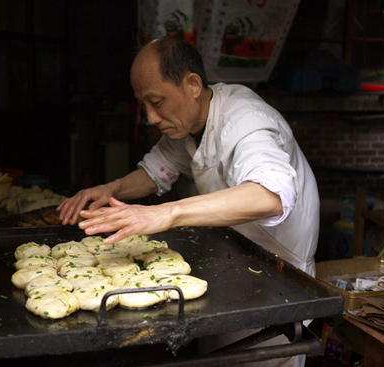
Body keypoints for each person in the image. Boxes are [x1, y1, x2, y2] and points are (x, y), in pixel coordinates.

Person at [57, 36, 319, 367]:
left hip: (278, 277)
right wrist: (111, 189)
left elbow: (270, 196)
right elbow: (156, 171)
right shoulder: (189, 124)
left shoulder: (245, 121)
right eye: (144, 106)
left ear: (192, 84)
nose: (151, 118)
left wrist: (168, 213)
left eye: (157, 102)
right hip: (233, 264)